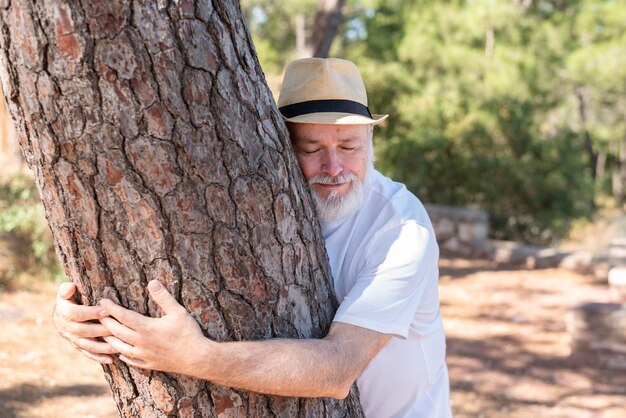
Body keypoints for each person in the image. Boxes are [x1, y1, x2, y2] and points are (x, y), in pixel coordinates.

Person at [53, 58, 452, 417]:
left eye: (349, 146)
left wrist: (195, 357)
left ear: (370, 143)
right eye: (311, 148)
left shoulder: (401, 228)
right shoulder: (258, 208)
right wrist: (86, 317)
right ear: (283, 149)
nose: (334, 167)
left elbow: (338, 368)